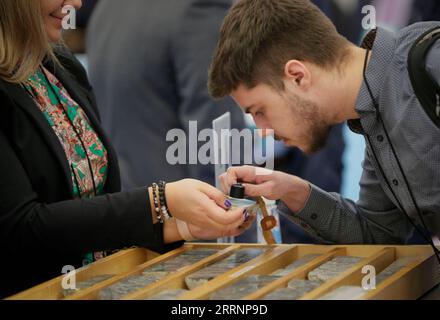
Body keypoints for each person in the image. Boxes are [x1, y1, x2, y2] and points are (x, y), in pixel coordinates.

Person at [0, 0, 252, 298]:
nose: (77, 3)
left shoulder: (58, 63)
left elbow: (91, 207)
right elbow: (20, 228)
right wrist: (159, 201)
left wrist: (181, 225)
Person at [209, 0, 440, 245]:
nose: (264, 131)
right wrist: (292, 191)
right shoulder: (375, 112)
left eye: (260, 110)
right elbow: (377, 233)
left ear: (297, 76)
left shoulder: (430, 63)